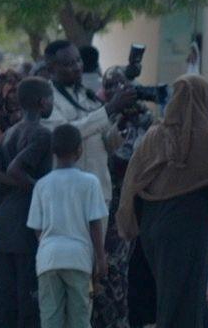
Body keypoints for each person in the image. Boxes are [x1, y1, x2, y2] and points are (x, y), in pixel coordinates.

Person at [115, 74, 208, 328]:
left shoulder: (153, 136)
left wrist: (131, 225)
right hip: (188, 230)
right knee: (179, 303)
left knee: (187, 301)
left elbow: (132, 183)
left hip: (154, 231)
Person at [28, 124, 110, 328]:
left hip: (48, 257)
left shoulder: (42, 184)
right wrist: (100, 256)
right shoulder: (89, 182)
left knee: (50, 315)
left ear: (53, 151)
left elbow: (37, 227)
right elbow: (95, 223)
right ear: (80, 150)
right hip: (79, 258)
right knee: (78, 314)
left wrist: (50, 245)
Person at [0, 77, 57, 328]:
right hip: (29, 223)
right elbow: (16, 168)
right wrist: (36, 189)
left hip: (5, 221)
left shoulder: (11, 132)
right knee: (29, 292)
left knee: (8, 295)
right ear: (42, 102)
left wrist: (16, 188)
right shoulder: (42, 134)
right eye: (51, 97)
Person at [95, 66, 153, 328]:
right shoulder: (101, 115)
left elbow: (137, 159)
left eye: (122, 85)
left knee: (118, 268)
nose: (117, 89)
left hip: (127, 203)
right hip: (102, 199)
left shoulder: (144, 119)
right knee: (103, 267)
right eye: (111, 85)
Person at [44, 41, 140, 209]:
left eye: (78, 61)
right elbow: (65, 135)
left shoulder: (88, 95)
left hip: (99, 192)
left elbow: (109, 145)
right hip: (68, 194)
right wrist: (109, 108)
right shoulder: (48, 99)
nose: (77, 67)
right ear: (51, 68)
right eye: (69, 64)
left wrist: (121, 122)